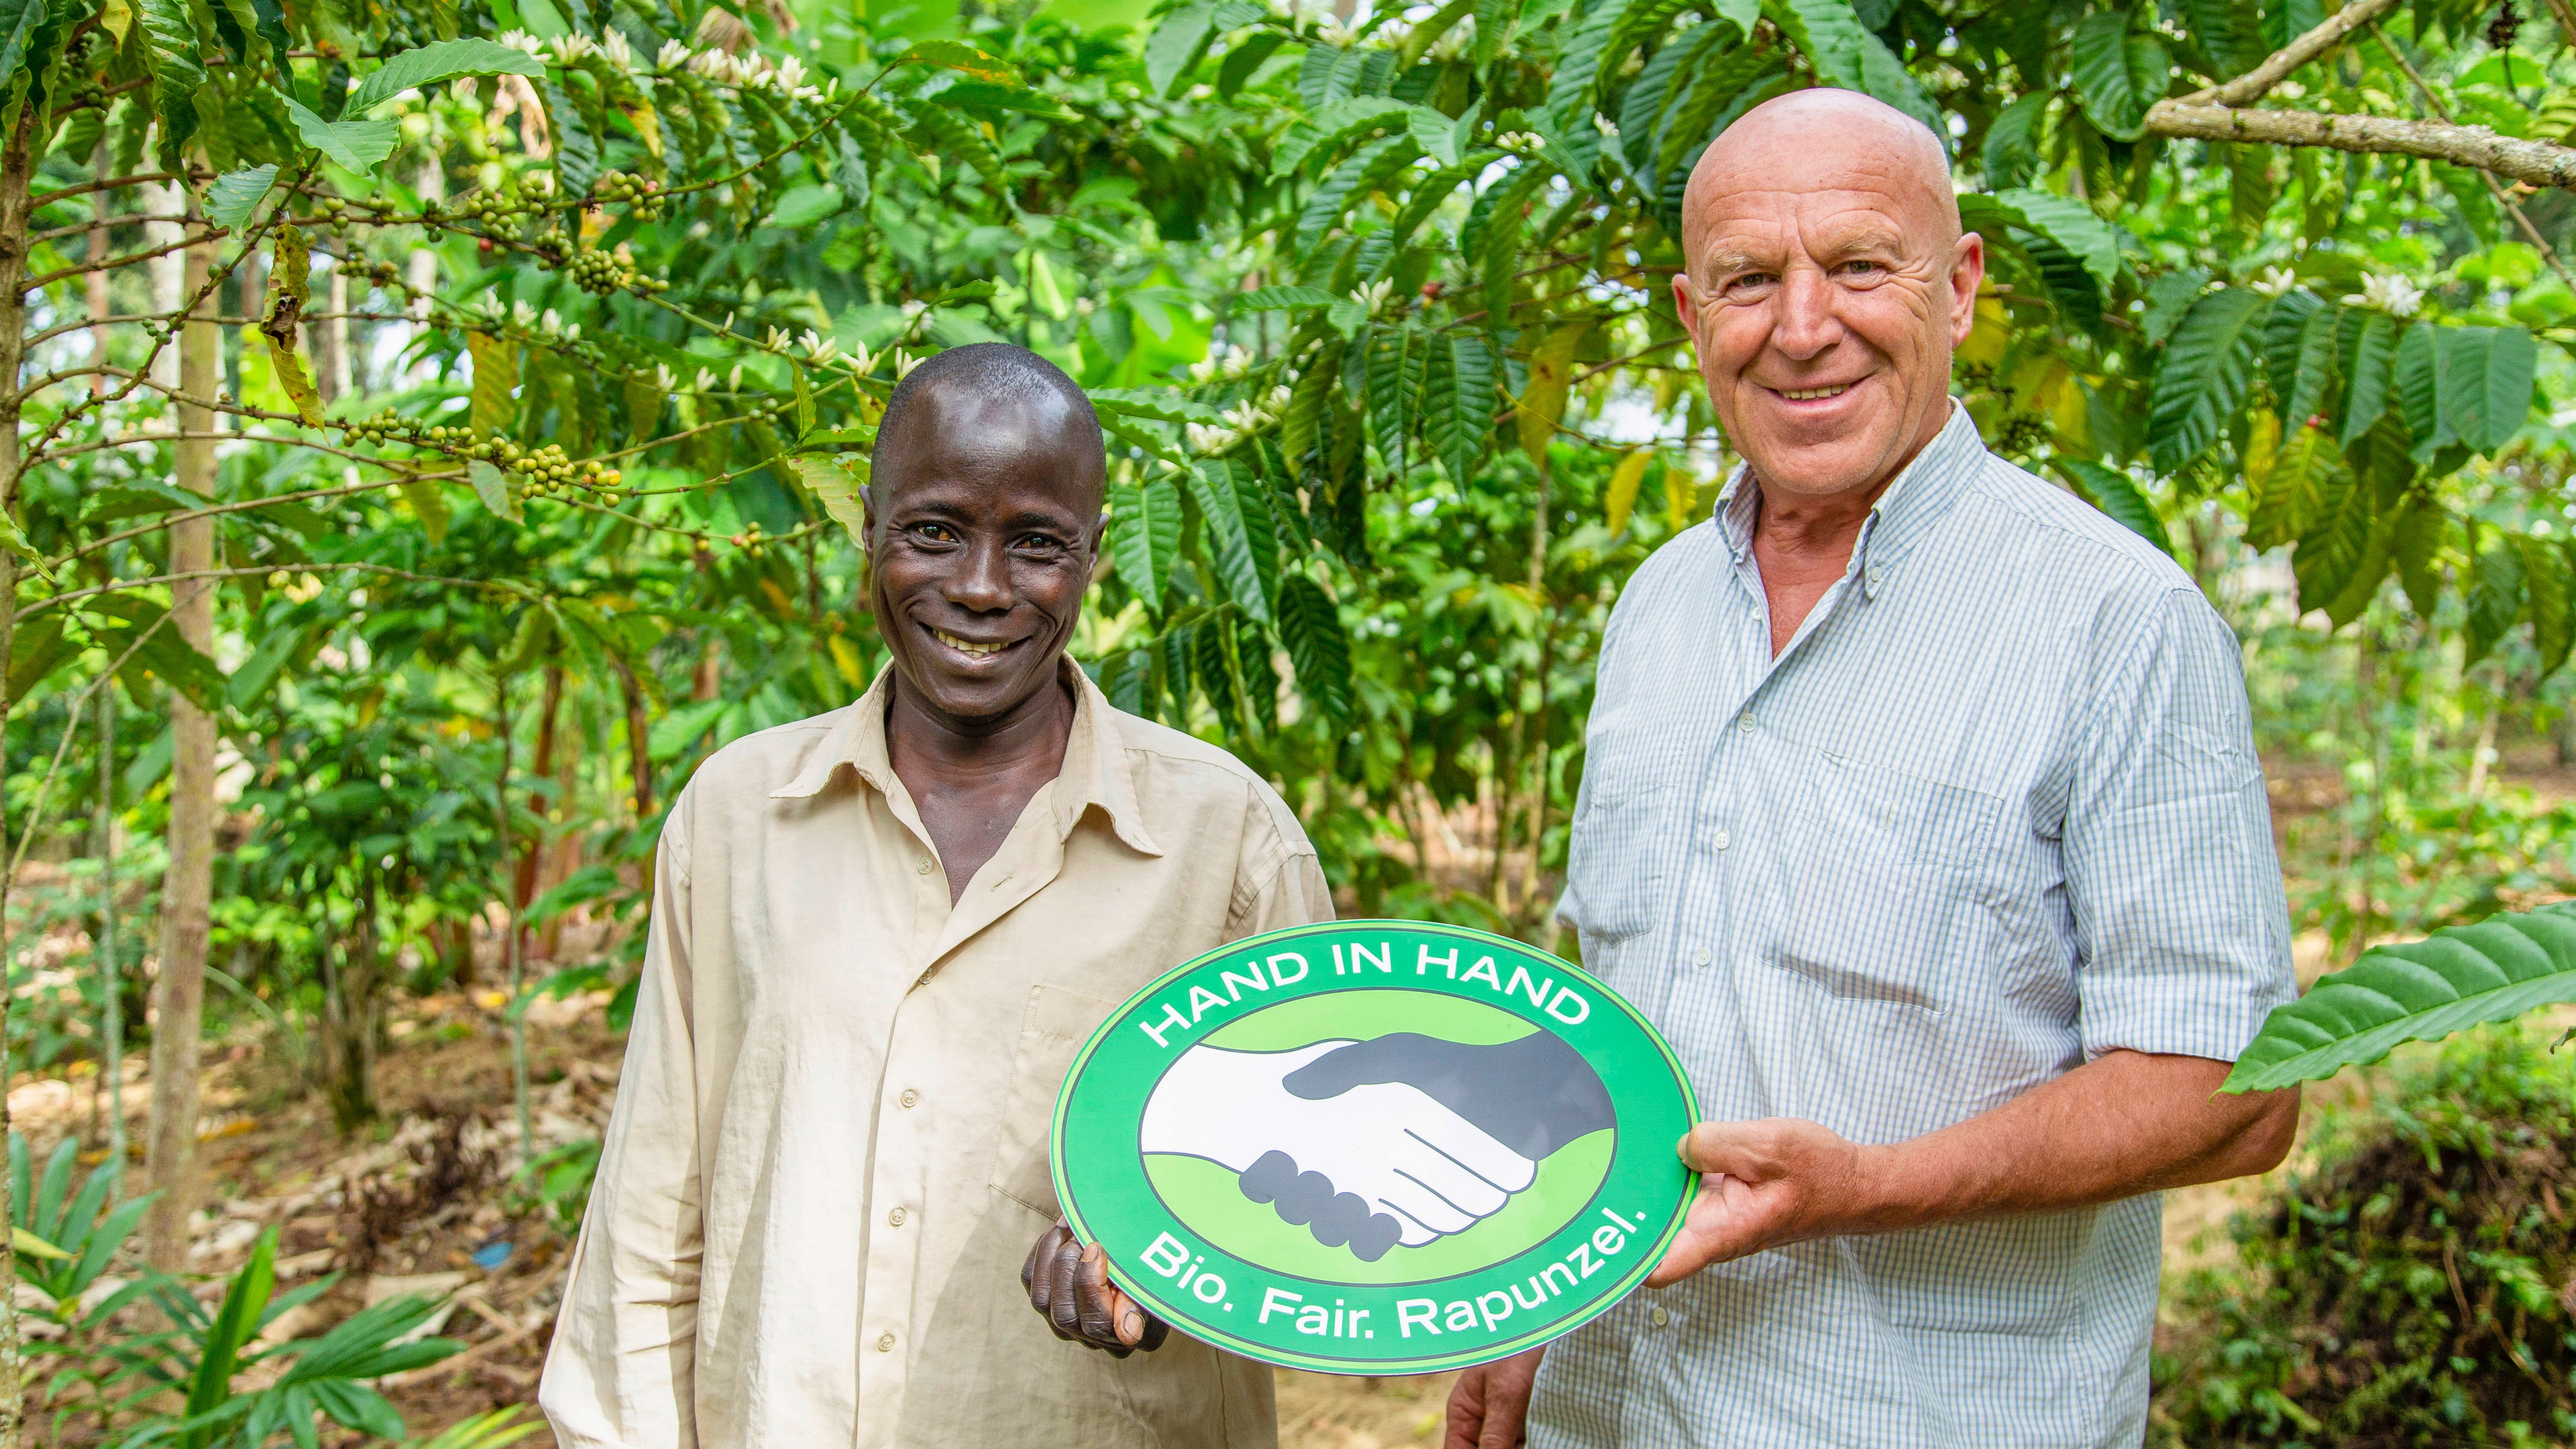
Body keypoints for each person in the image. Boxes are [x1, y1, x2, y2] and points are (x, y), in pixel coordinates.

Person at [1445, 89, 2302, 1448]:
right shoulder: (1657, 609)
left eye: (1856, 265)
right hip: (1611, 1403)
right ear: (1688, 312)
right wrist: (1524, 1304)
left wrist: (1869, 1185)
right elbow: (1611, 1013)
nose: (1800, 327)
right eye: (1747, 281)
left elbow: (2236, 1087)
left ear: (1958, 286)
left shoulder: (2116, 620)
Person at [539, 343, 1330, 1448]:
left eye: (1038, 544)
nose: (979, 585)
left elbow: (1318, 1231)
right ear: (867, 526)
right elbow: (651, 1216)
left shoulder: (1228, 842)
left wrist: (1173, 1275)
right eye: (934, 529)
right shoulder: (738, 815)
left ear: (1093, 556)